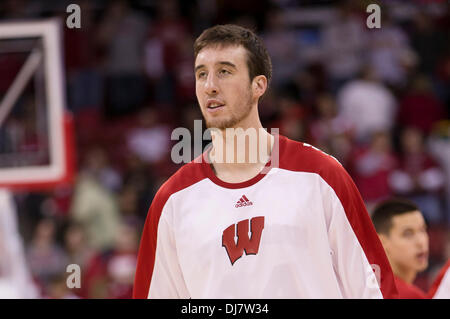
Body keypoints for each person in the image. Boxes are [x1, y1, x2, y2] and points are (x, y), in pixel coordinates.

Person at [133, 24, 397, 299]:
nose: (210, 86)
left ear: (258, 85)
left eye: (224, 71)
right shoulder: (173, 200)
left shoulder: (321, 175)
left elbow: (374, 289)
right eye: (202, 74)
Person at [371, 198, 429, 298]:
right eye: (408, 234)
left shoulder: (367, 285)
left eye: (422, 230)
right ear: (382, 242)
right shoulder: (409, 295)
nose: (421, 242)